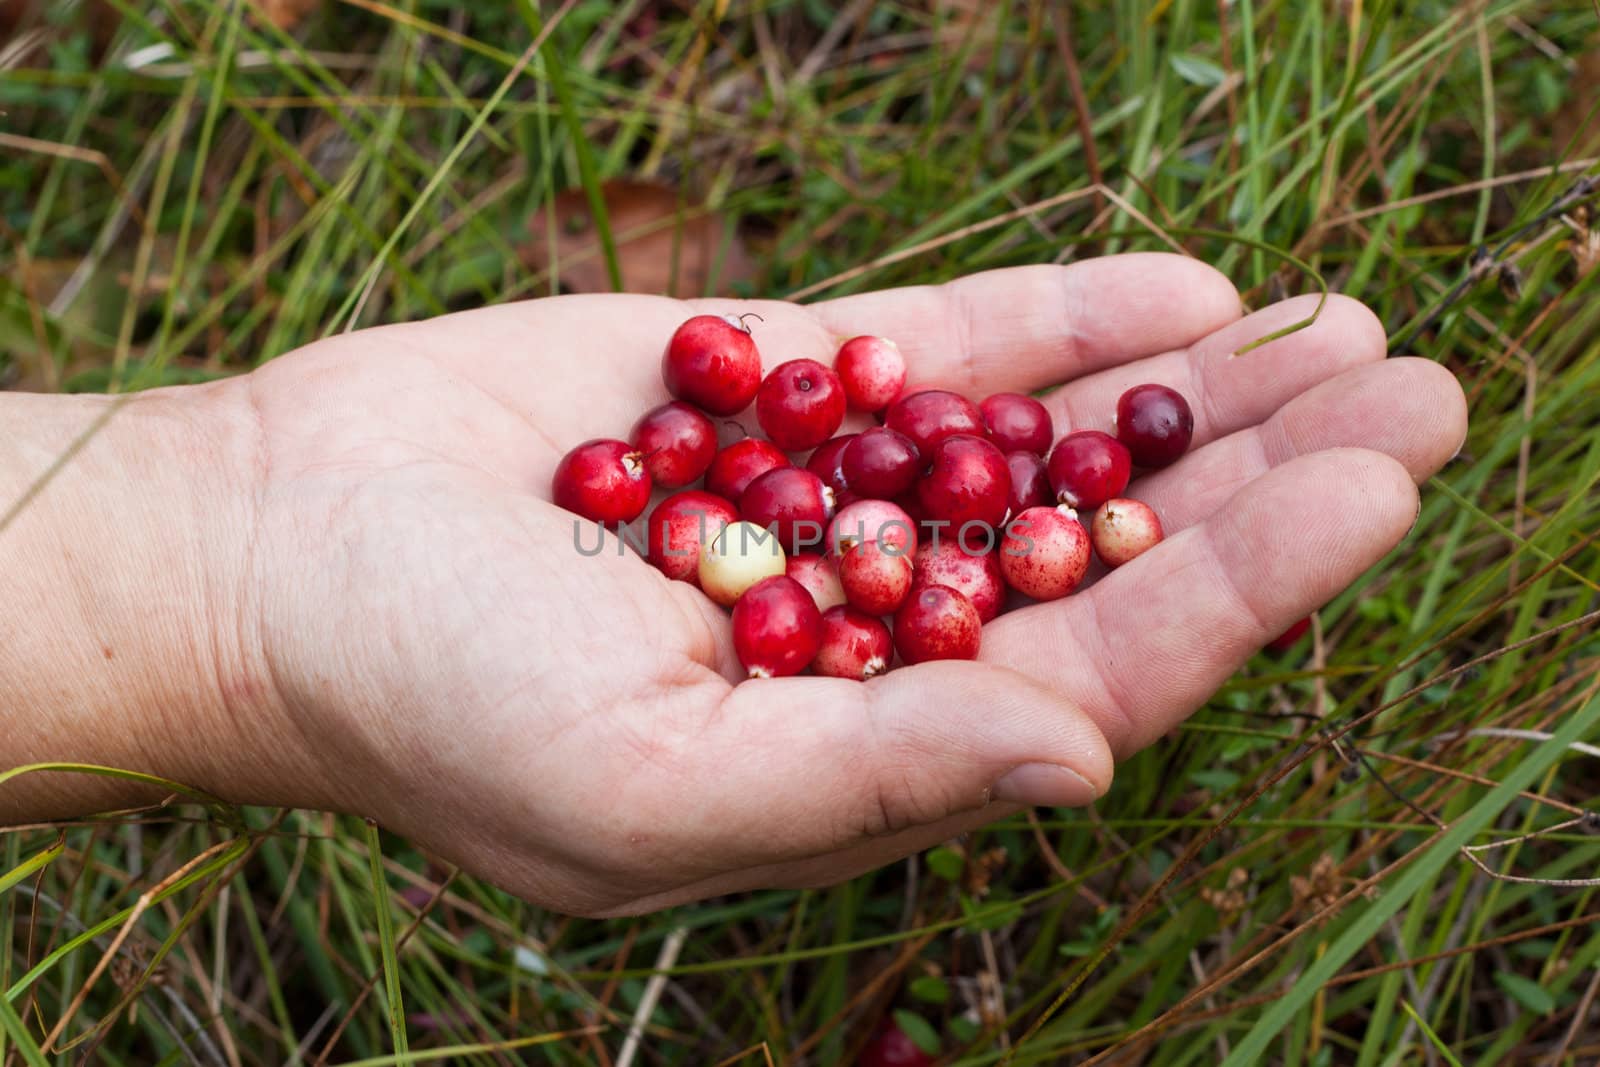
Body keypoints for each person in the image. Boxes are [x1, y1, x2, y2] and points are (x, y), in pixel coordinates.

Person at [0, 256, 1467, 916]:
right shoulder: (756, 496)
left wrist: (232, 540)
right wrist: (244, 553)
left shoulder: (900, 500)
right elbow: (805, 522)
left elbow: (910, 502)